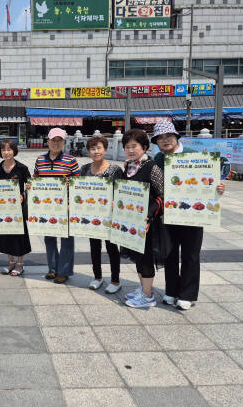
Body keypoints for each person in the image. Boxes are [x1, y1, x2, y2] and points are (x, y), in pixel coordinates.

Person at [152, 120, 226, 310]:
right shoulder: (158, 159)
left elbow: (210, 180)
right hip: (167, 214)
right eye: (160, 138)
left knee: (190, 254)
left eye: (168, 136)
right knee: (169, 253)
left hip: (193, 214)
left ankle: (187, 294)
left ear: (176, 137)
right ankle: (171, 291)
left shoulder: (194, 156)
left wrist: (218, 187)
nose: (165, 140)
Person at [121, 129, 164, 308]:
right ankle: (143, 289)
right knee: (138, 257)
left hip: (147, 223)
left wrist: (148, 216)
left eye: (135, 146)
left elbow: (163, 195)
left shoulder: (152, 167)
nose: (131, 150)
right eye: (127, 147)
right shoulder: (129, 167)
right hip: (131, 221)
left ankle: (147, 297)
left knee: (145, 258)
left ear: (144, 147)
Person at [33, 127, 80, 284]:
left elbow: (78, 184)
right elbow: (36, 179)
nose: (56, 143)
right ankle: (52, 269)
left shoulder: (71, 160)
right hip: (47, 207)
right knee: (49, 239)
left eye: (59, 140)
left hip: (65, 206)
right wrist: (30, 187)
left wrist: (70, 187)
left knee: (66, 240)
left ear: (64, 142)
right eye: (53, 140)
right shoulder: (40, 160)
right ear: (48, 141)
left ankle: (64, 271)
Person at [79, 136, 123, 293]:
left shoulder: (115, 170)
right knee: (94, 247)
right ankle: (97, 277)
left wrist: (116, 202)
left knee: (112, 247)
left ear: (105, 150)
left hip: (109, 216)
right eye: (92, 148)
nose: (96, 151)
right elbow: (80, 191)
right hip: (92, 216)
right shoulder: (84, 169)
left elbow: (121, 192)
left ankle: (115, 280)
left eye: (99, 148)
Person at [0, 139, 31, 276]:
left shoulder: (22, 168)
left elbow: (31, 186)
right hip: (3, 208)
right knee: (6, 235)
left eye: (9, 149)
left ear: (14, 151)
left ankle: (20, 264)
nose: (6, 152)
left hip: (18, 208)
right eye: (3, 150)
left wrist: (24, 193)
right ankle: (10, 263)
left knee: (19, 236)